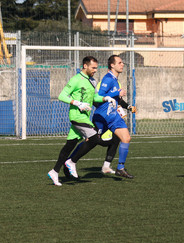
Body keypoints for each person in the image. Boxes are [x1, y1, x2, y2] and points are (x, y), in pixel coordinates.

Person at [47, 56, 116, 186]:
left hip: (85, 117)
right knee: (95, 138)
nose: (95, 70)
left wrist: (106, 98)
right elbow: (62, 95)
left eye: (96, 67)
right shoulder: (76, 80)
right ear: (85, 66)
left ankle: (54, 171)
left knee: (69, 146)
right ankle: (71, 162)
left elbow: (95, 97)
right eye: (93, 67)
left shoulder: (92, 81)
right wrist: (77, 103)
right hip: (76, 116)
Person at [92, 55, 135, 179]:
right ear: (112, 65)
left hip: (113, 116)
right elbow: (99, 96)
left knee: (125, 138)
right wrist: (116, 93)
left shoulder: (116, 80)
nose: (122, 64)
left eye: (122, 62)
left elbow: (117, 99)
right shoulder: (107, 79)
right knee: (90, 142)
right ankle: (71, 161)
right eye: (120, 62)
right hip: (103, 116)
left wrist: (128, 107)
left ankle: (120, 168)